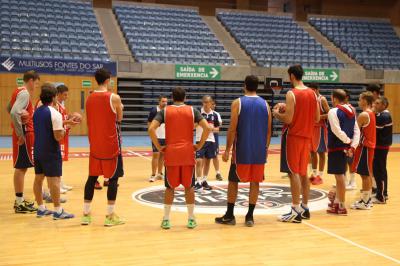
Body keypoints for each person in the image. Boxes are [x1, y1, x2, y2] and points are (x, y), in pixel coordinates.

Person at [148, 87, 210, 230]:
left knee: (170, 188)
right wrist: (199, 145)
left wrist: (158, 146)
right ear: (185, 97)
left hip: (172, 154)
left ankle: (166, 219)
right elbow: (206, 128)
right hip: (187, 153)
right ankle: (191, 219)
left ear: (172, 97)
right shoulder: (192, 110)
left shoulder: (165, 111)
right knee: (189, 187)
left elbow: (151, 129)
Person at [215, 75, 271, 227]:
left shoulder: (238, 102)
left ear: (244, 85)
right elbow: (268, 132)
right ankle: (250, 217)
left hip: (242, 150)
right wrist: (265, 148)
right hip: (259, 151)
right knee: (255, 182)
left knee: (233, 181)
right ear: (257, 86)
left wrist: (227, 150)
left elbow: (232, 129)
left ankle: (229, 215)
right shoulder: (265, 104)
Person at [273, 65, 319, 223]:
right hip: (307, 136)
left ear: (292, 76)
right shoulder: (313, 93)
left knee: (293, 173)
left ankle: (294, 210)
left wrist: (277, 113)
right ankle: (305, 208)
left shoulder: (292, 93)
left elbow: (288, 119)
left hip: (294, 136)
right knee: (303, 173)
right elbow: (317, 117)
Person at [81, 68, 125, 226]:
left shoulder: (89, 98)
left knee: (92, 178)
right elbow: (119, 119)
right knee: (113, 179)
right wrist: (121, 108)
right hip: (111, 144)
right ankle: (109, 216)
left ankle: (86, 214)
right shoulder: (114, 97)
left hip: (95, 144)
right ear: (108, 80)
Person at [32, 83, 74, 219]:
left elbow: (45, 127)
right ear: (54, 97)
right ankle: (58, 211)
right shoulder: (55, 113)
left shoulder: (37, 111)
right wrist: (65, 129)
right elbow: (57, 136)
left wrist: (63, 124)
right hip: (50, 151)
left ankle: (41, 208)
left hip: (38, 149)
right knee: (55, 180)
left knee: (38, 179)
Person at [8, 70, 40, 213]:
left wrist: (21, 115)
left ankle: (19, 200)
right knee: (21, 168)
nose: (36, 86)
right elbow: (14, 112)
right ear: (31, 80)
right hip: (24, 134)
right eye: (37, 83)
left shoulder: (18, 91)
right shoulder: (25, 93)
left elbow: (9, 108)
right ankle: (19, 203)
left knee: (22, 167)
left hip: (23, 132)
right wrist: (21, 132)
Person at [326, 89, 360, 215]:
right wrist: (353, 146)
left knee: (340, 177)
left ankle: (341, 206)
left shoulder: (333, 111)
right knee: (340, 175)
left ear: (334, 98)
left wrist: (347, 141)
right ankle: (336, 201)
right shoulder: (352, 110)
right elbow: (357, 130)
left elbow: (336, 130)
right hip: (346, 148)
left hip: (337, 147)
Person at [350, 91, 376, 210]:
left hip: (365, 147)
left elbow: (355, 132)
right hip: (368, 147)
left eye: (360, 99)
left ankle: (365, 202)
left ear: (365, 100)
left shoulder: (364, 115)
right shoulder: (371, 113)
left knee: (364, 174)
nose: (359, 101)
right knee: (367, 174)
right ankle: (367, 199)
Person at [194, 95, 220, 191]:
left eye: (207, 102)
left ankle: (204, 180)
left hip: (211, 140)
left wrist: (211, 129)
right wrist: (200, 123)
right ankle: (198, 182)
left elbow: (217, 129)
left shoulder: (215, 115)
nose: (205, 104)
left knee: (208, 161)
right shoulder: (198, 113)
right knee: (199, 161)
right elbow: (193, 126)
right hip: (200, 140)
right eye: (204, 102)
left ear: (211, 103)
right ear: (202, 102)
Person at [308, 83, 330, 185]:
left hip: (320, 128)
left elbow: (330, 114)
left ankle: (320, 176)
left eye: (313, 90)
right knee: (312, 152)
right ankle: (314, 173)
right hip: (311, 128)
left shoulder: (322, 99)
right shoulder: (309, 99)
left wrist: (318, 117)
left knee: (321, 152)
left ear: (317, 90)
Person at [372, 96, 392, 203]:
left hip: (381, 147)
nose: (375, 105)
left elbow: (374, 130)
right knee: (379, 169)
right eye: (375, 103)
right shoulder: (382, 115)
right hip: (380, 146)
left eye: (378, 103)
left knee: (379, 170)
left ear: (384, 105)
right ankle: (381, 193)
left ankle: (382, 195)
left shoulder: (384, 116)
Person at [147, 95, 168, 182]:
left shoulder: (167, 111)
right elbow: (149, 123)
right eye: (163, 101)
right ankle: (153, 174)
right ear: (159, 102)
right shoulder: (154, 111)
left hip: (165, 136)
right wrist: (152, 135)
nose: (165, 103)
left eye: (166, 101)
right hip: (157, 137)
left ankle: (160, 173)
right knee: (156, 155)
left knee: (162, 156)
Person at [343, 89, 357, 190]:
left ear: (347, 97)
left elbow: (352, 125)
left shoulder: (351, 108)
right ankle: (345, 181)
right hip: (342, 138)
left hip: (349, 138)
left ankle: (353, 182)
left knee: (350, 161)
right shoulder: (339, 108)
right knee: (343, 161)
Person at [210, 99, 223, 181]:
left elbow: (218, 127)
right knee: (203, 158)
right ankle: (200, 176)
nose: (213, 105)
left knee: (215, 156)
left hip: (214, 137)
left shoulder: (216, 114)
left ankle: (218, 173)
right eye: (212, 104)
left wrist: (209, 128)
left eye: (214, 104)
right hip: (204, 137)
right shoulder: (202, 113)